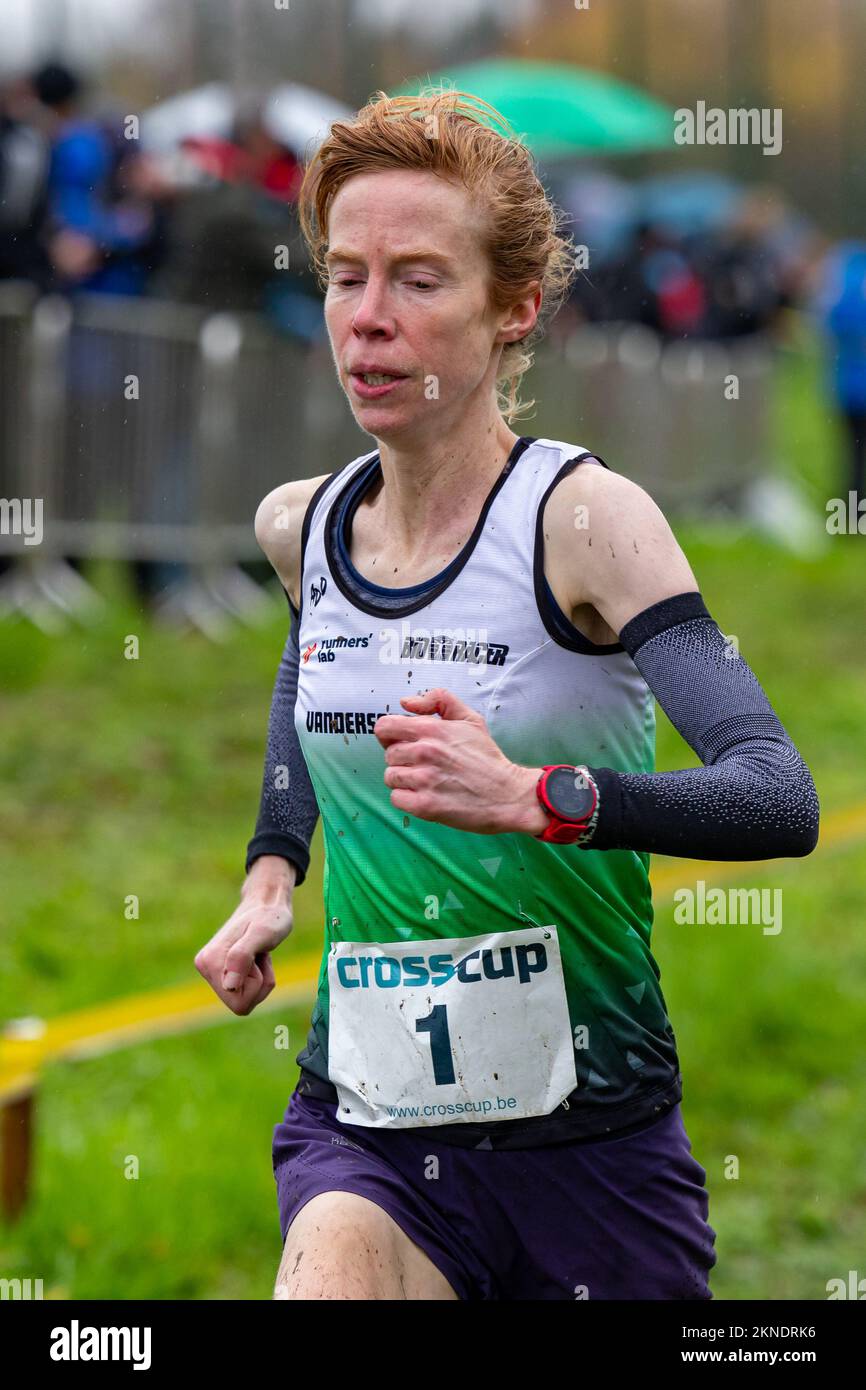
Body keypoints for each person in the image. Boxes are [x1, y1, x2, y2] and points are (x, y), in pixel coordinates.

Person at [194, 88, 820, 1301]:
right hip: (365, 1131)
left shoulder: (584, 523)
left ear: (513, 307)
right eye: (344, 277)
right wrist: (273, 871)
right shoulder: (300, 527)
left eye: (418, 282)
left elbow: (775, 795)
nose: (366, 322)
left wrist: (541, 794)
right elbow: (308, 671)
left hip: (589, 1151)